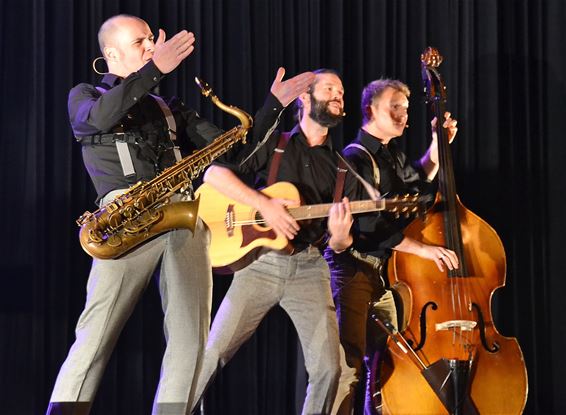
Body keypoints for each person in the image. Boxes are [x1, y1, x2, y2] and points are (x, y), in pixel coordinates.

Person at [46, 14, 314, 415]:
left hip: (185, 214)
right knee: (96, 334)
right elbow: (100, 119)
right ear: (112, 53)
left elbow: (236, 159)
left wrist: (272, 108)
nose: (152, 46)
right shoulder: (85, 95)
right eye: (142, 42)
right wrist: (154, 70)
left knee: (191, 341)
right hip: (126, 218)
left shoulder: (170, 107)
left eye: (152, 39)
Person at [189, 69, 355, 415]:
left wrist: (340, 239)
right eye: (330, 89)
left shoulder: (343, 170)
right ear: (304, 99)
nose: (339, 95)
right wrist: (263, 204)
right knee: (212, 353)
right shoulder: (276, 144)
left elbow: (339, 244)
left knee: (329, 369)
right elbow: (215, 174)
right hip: (259, 266)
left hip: (310, 268)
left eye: (341, 91)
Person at [326, 79, 459, 414]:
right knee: (350, 362)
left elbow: (417, 184)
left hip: (384, 273)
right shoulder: (354, 160)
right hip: (353, 269)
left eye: (406, 109)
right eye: (395, 107)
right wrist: (426, 250)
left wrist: (436, 146)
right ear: (370, 110)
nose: (403, 115)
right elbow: (371, 227)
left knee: (386, 361)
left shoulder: (390, 155)